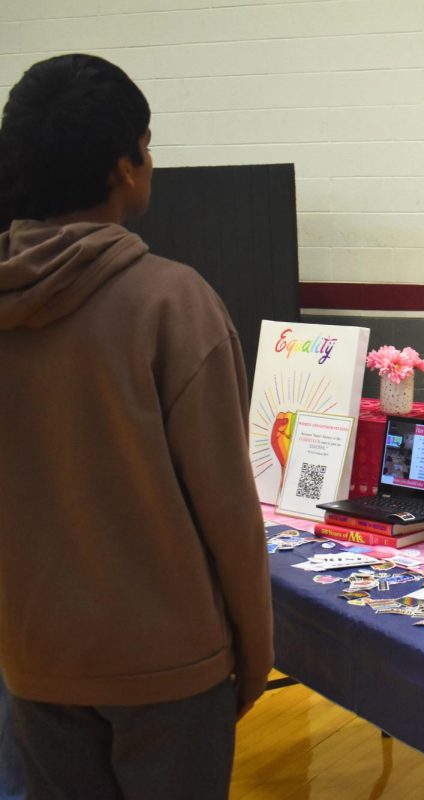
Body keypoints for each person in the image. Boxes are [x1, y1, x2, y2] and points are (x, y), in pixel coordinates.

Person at [0, 54, 273, 799]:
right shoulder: (173, 304)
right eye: (146, 144)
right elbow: (227, 508)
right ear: (126, 166)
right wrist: (254, 649)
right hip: (168, 668)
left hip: (33, 659)